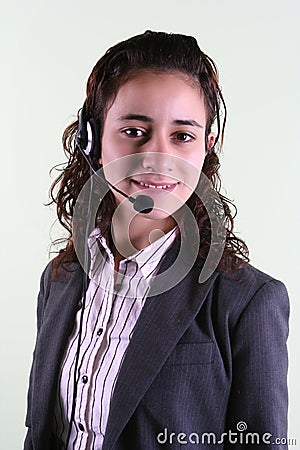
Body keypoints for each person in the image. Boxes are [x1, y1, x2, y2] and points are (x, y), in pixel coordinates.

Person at [24, 31, 289, 450]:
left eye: (182, 136)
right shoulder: (59, 280)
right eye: (133, 131)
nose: (157, 157)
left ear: (206, 147)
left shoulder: (249, 301)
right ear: (91, 141)